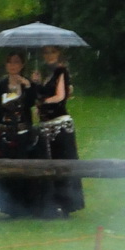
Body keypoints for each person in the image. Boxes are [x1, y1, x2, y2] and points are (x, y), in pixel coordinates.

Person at [0, 52, 49, 218]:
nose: (13, 66)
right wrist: (8, 102)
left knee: (23, 166)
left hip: (23, 132)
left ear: (22, 65)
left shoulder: (27, 84)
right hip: (5, 131)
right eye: (10, 62)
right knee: (5, 168)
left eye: (16, 63)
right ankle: (7, 205)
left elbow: (32, 104)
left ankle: (25, 204)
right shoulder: (0, 86)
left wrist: (28, 86)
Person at [37, 45, 85, 217]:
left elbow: (60, 96)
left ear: (59, 54)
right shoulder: (44, 73)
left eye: (53, 52)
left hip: (59, 124)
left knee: (62, 163)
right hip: (46, 124)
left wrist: (43, 101)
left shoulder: (61, 71)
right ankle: (51, 202)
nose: (49, 55)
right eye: (46, 52)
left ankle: (65, 204)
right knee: (48, 164)